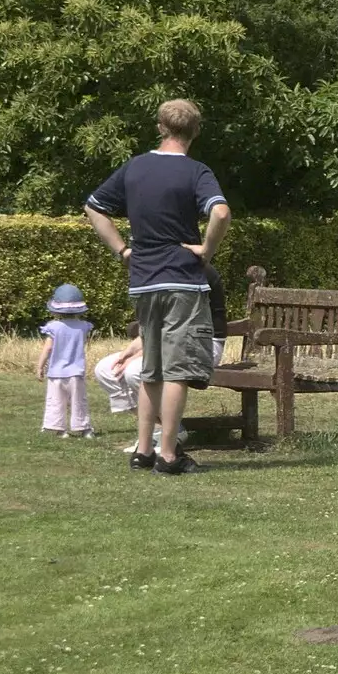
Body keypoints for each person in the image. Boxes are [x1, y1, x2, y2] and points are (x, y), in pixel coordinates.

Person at [84, 97, 230, 475]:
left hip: (144, 280)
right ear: (195, 131)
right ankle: (169, 455)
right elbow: (221, 211)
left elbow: (94, 206)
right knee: (177, 371)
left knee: (151, 369)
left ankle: (144, 451)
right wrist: (207, 249)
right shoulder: (197, 171)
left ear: (160, 127)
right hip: (182, 280)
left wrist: (122, 249)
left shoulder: (135, 168)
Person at [93, 263, 229, 453]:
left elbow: (183, 328)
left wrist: (145, 353)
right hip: (164, 339)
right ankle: (156, 428)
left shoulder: (194, 271)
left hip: (201, 343)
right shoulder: (159, 270)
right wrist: (132, 350)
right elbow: (156, 322)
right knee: (106, 369)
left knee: (137, 371)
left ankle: (169, 434)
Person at [37, 284, 96, 437]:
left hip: (57, 371)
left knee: (56, 401)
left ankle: (60, 429)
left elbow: (48, 349)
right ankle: (84, 428)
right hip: (76, 371)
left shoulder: (53, 327)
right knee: (79, 400)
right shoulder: (84, 326)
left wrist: (39, 367)